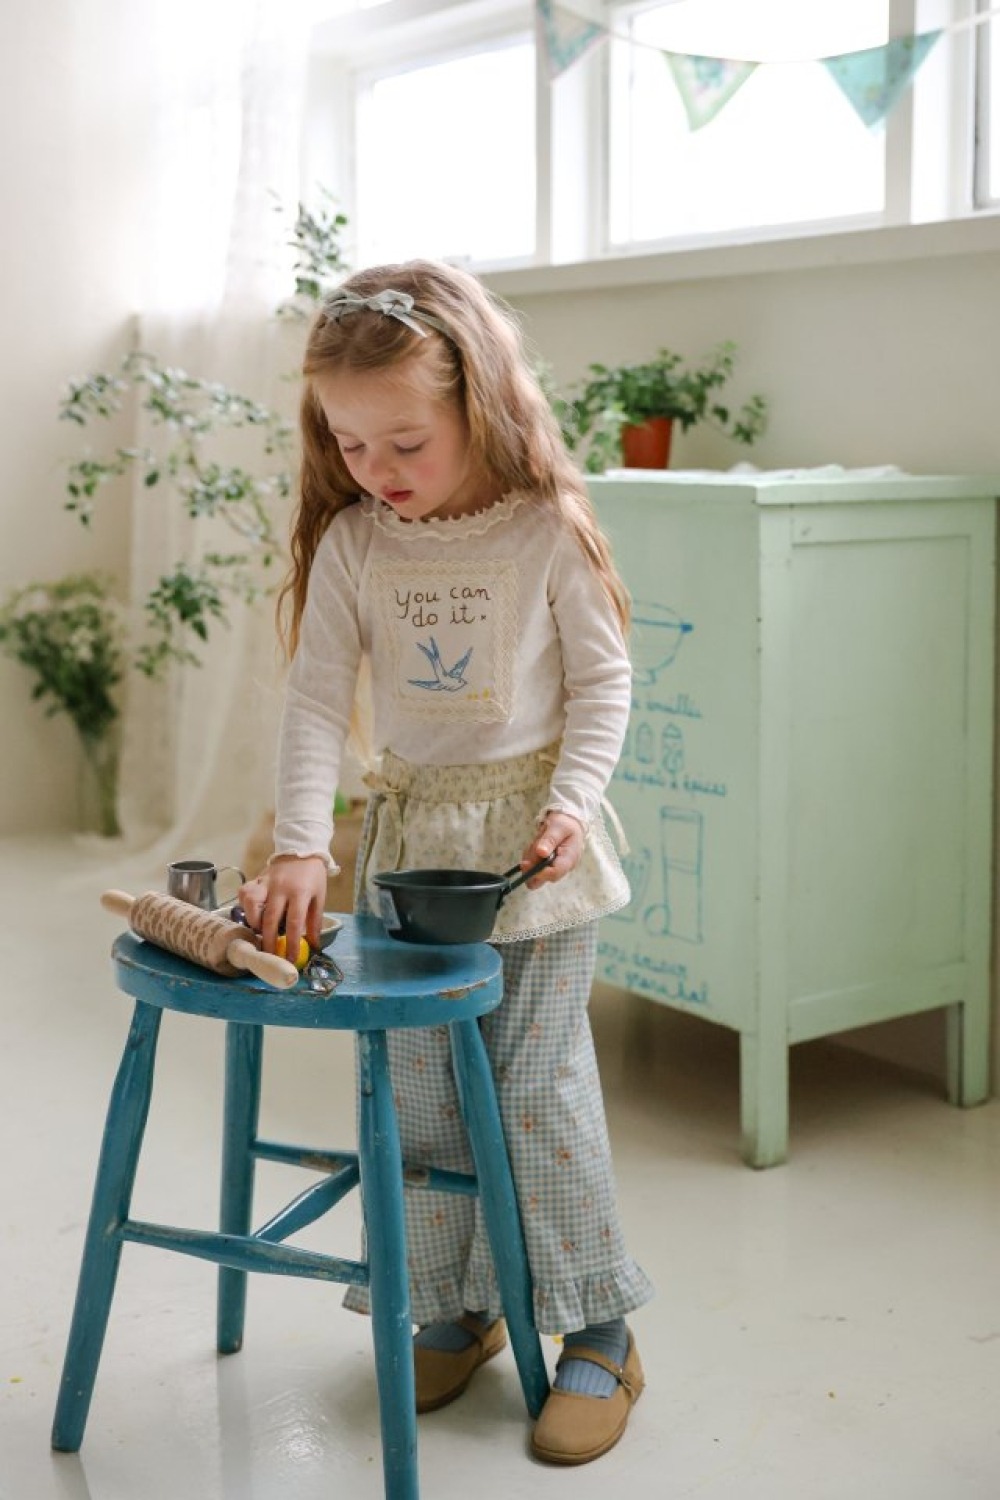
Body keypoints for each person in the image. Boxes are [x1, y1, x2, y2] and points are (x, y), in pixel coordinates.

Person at [238, 260, 653, 1465]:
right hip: (412, 861)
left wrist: (573, 806)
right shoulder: (356, 544)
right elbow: (317, 700)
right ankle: (459, 1304)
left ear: (480, 403)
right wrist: (301, 843)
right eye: (349, 443)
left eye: (406, 441)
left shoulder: (543, 530)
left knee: (533, 1092)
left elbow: (603, 685)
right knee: (420, 1095)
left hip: (532, 864)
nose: (377, 468)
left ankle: (597, 1327)